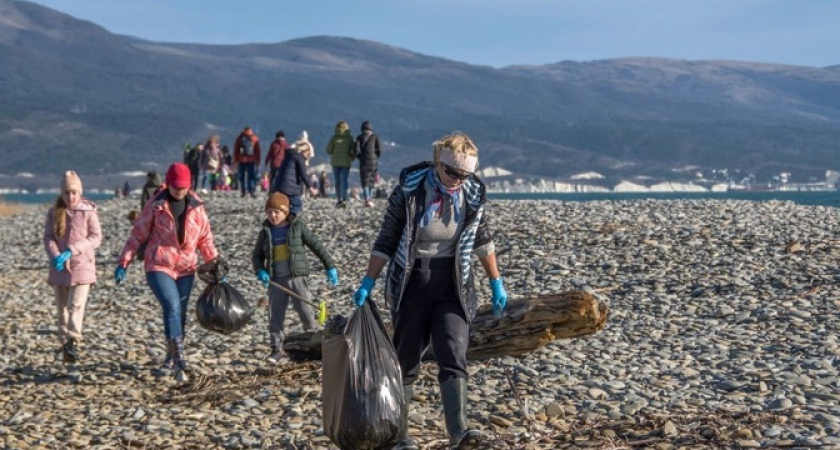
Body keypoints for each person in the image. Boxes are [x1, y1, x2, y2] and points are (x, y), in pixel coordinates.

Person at [351, 132, 508, 450]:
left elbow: (483, 240)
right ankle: (399, 435)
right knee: (406, 358)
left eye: (465, 174)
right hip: (413, 281)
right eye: (452, 173)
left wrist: (496, 282)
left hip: (453, 282)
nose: (457, 180)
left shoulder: (472, 194)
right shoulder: (410, 191)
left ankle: (459, 432)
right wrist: (368, 282)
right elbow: (387, 238)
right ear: (439, 163)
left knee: (453, 351)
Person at [115, 163, 218, 379]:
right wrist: (123, 262)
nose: (179, 191)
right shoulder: (156, 205)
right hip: (159, 264)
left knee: (178, 312)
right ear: (168, 183)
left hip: (186, 267)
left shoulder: (196, 206)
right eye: (176, 187)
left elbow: (205, 238)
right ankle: (180, 359)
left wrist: (214, 262)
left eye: (183, 187)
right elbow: (138, 235)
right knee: (171, 305)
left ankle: (170, 358)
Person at [252, 193, 339, 362]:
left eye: (276, 211)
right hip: (276, 281)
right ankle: (276, 350)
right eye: (269, 212)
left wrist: (330, 266)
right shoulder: (265, 232)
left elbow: (316, 245)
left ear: (285, 212)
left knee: (306, 312)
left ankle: (314, 344)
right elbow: (256, 256)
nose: (272, 215)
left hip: (297, 278)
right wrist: (260, 270)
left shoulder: (297, 227)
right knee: (275, 316)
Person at [43, 171, 102, 364]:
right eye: (67, 193)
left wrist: (73, 250)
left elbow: (95, 237)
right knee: (62, 309)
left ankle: (73, 341)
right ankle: (64, 342)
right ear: (61, 193)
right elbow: (49, 237)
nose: (71, 197)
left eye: (74, 193)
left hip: (82, 265)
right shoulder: (54, 213)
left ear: (80, 192)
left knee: (76, 305)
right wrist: (55, 255)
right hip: (60, 268)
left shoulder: (88, 211)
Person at [272, 141, 318, 214]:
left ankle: (281, 221)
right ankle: (291, 221)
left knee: (283, 205)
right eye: (308, 154)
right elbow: (303, 175)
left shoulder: (288, 156)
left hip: (279, 185)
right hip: (290, 188)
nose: (308, 157)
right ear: (304, 151)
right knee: (297, 205)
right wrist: (311, 188)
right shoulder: (299, 157)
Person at [325, 121, 354, 208]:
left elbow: (328, 150)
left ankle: (338, 200)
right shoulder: (350, 138)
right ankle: (344, 199)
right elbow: (353, 150)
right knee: (344, 181)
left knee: (337, 181)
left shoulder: (334, 138)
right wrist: (351, 158)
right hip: (346, 162)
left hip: (335, 162)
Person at [354, 121, 381, 207]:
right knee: (372, 181)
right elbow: (379, 149)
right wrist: (375, 157)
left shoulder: (359, 138)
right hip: (373, 162)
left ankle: (367, 199)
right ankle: (370, 199)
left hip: (364, 162)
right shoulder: (375, 137)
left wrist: (360, 157)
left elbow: (357, 151)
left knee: (365, 181)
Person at [234, 126, 261, 198]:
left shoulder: (239, 138)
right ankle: (252, 191)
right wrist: (258, 161)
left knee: (241, 177)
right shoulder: (254, 138)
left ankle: (243, 192)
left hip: (241, 160)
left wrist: (235, 161)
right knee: (251, 176)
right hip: (251, 160)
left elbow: (236, 150)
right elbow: (257, 151)